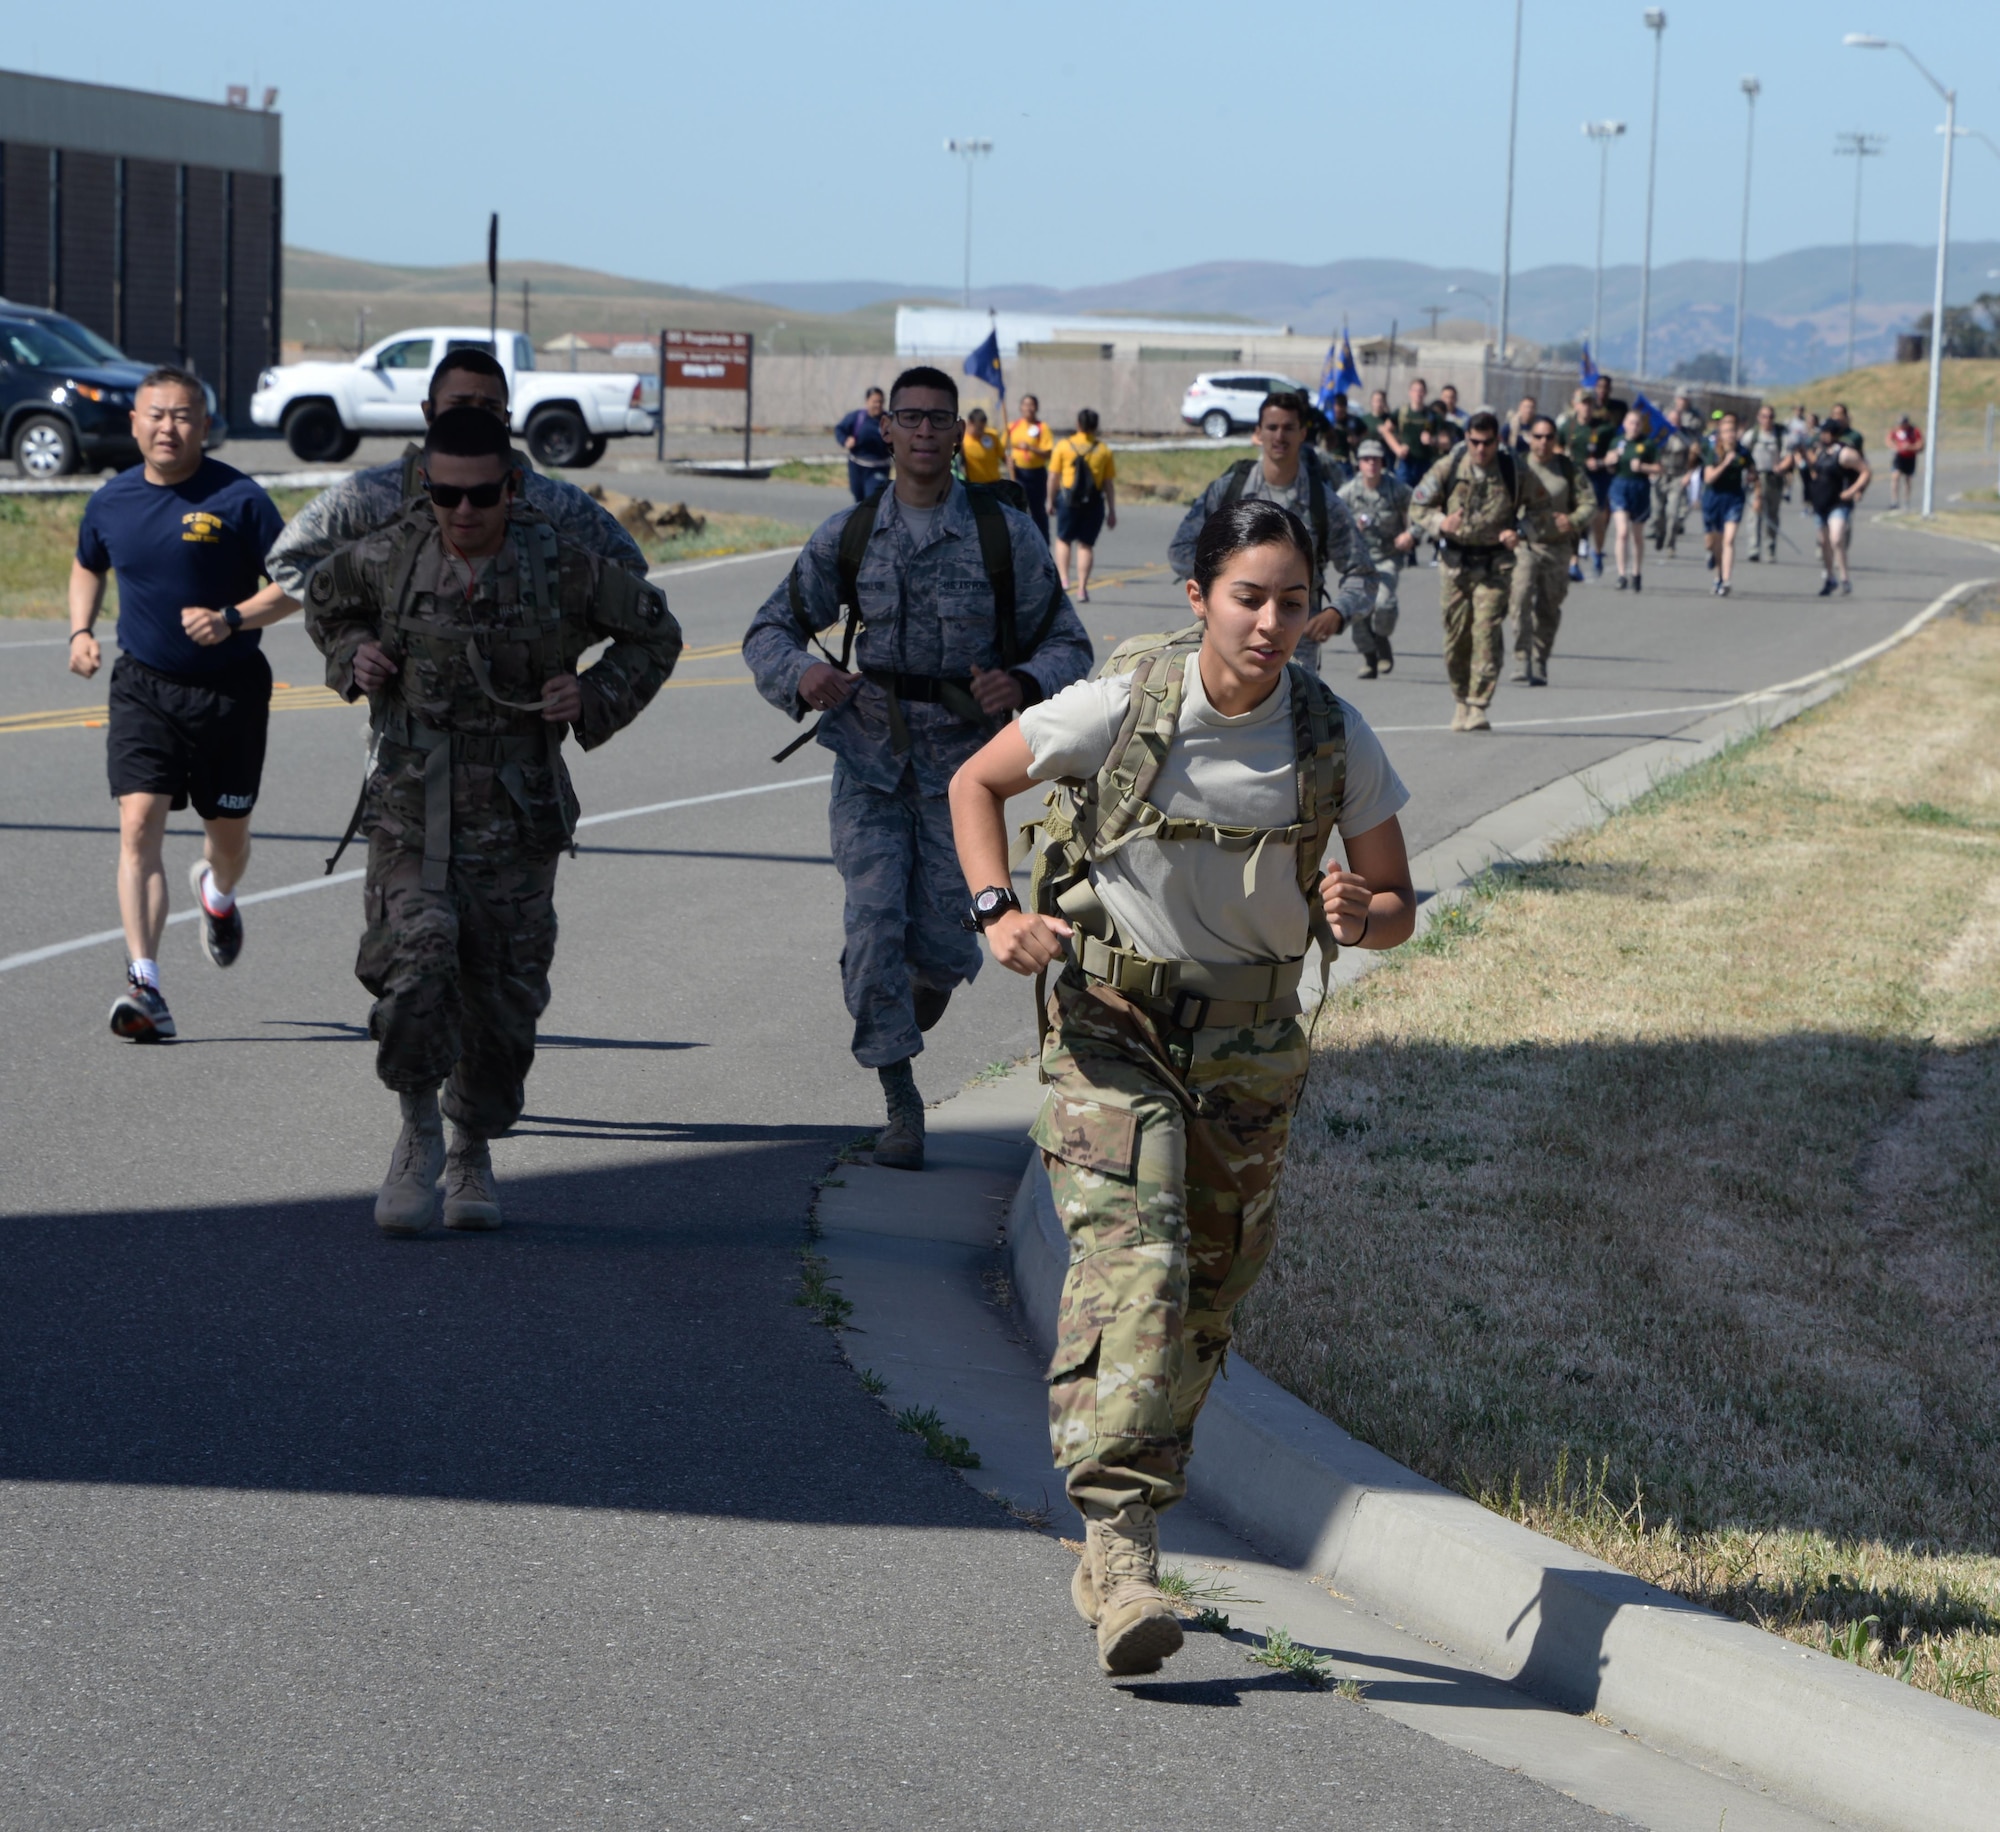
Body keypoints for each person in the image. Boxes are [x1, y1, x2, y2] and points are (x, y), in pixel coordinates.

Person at [947, 498, 1415, 1678]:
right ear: (1199, 597)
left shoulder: (1331, 735)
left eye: (1290, 602)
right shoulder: (1126, 705)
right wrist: (998, 913)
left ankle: (1130, 1506)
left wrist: (1365, 917)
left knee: (1207, 1292)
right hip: (1111, 1025)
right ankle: (1120, 1541)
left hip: (1249, 1047)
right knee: (1136, 1266)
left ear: (1316, 616)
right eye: (1246, 596)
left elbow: (1392, 902)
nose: (1267, 621)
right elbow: (975, 782)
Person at [302, 408, 682, 1235]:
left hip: (516, 818)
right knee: (416, 968)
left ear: (510, 486)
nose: (462, 511)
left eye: (480, 495)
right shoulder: (391, 555)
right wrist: (350, 658)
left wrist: (594, 695)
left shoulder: (560, 565)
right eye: (444, 493)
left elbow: (654, 633)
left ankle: (474, 1141)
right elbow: (326, 602)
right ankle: (417, 1132)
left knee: (503, 1015)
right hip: (411, 806)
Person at [744, 365, 1091, 1171]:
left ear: (958, 433)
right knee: (872, 927)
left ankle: (903, 997)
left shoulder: (1005, 536)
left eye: (941, 420)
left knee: (943, 947)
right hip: (869, 760)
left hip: (967, 774)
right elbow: (770, 630)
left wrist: (1025, 681)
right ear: (887, 431)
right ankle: (900, 1101)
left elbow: (1069, 644)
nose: (927, 433)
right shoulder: (850, 535)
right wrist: (804, 675)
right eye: (911, 419)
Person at [67, 366, 287, 1043]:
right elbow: (88, 564)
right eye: (156, 414)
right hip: (143, 686)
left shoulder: (241, 498)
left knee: (229, 841)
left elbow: (298, 583)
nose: (169, 426)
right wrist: (80, 629)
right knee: (138, 828)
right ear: (134, 422)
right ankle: (145, 984)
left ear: (204, 424)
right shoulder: (111, 501)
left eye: (183, 415)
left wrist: (233, 616)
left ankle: (217, 895)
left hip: (229, 692)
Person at [265, 347, 646, 607]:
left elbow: (629, 572)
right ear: (429, 412)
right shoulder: (373, 494)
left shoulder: (553, 502)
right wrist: (356, 629)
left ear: (507, 419)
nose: (475, 415)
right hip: (406, 723)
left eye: (489, 407)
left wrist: (562, 636)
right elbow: (289, 559)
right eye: (460, 404)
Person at [1167, 391, 1374, 676]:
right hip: (1230, 640)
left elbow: (1362, 571)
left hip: (1294, 649)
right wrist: (1223, 586)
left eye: (1289, 428)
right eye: (1272, 427)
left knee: (1291, 718)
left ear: (1303, 433)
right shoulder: (1229, 491)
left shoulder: (1322, 503)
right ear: (1258, 432)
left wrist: (1337, 613)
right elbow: (1181, 549)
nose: (1280, 436)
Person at [1408, 409, 1556, 731]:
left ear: (1497, 440)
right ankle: (1460, 699)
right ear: (1467, 439)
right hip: (1456, 566)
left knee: (1486, 631)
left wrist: (1520, 532)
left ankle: (1478, 704)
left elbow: (1543, 508)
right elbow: (1417, 505)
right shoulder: (1448, 467)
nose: (1480, 449)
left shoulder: (1512, 468)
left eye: (1487, 442)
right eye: (1474, 442)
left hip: (1495, 565)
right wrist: (1440, 523)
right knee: (1456, 636)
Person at [1509, 416, 1590, 686]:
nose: (1543, 443)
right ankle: (1522, 657)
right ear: (1530, 438)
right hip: (1525, 545)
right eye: (1538, 436)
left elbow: (1589, 503)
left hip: (1557, 547)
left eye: (1549, 437)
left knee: (1548, 607)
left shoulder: (1566, 469)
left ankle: (1540, 658)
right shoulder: (1517, 467)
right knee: (1520, 596)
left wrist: (1574, 520)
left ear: (1555, 440)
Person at [1337, 438, 1414, 679]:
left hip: (1387, 558)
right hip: (1357, 561)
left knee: (1384, 603)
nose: (1371, 464)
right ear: (1359, 463)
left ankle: (1382, 641)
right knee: (1358, 610)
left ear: (1382, 462)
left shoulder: (1395, 489)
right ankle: (1369, 658)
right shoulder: (1348, 493)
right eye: (1366, 459)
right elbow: (1332, 521)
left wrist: (1410, 534)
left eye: (1376, 459)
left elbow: (1421, 509)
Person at [1050, 409, 1117, 602]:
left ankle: (1063, 580)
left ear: (1078, 424)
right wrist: (1112, 510)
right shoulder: (1103, 450)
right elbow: (1108, 483)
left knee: (1063, 539)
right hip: (1093, 501)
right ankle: (1082, 588)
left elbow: (1054, 476)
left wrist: (1050, 499)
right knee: (1085, 545)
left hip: (1068, 500)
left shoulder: (1064, 446)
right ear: (1096, 426)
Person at [1802, 418, 1871, 596]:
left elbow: (1865, 471)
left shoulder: (1845, 453)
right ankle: (1830, 577)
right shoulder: (1819, 451)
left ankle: (1845, 577)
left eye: (1827, 432)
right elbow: (1814, 470)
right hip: (1820, 501)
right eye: (1822, 432)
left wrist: (1853, 491)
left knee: (1836, 539)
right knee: (1824, 542)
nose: (1823, 436)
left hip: (1839, 502)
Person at [1603, 408, 1661, 592]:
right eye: (1631, 423)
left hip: (1640, 489)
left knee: (1637, 535)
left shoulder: (1648, 444)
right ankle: (1621, 574)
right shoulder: (1617, 442)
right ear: (1624, 424)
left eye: (1637, 423)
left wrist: (1643, 467)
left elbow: (1659, 468)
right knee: (1622, 532)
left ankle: (1636, 572)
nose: (1634, 427)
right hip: (1620, 486)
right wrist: (1609, 461)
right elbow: (1609, 465)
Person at [1700, 412, 1750, 598]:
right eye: (1726, 431)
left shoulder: (1743, 452)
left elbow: (1751, 470)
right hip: (1713, 498)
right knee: (1713, 543)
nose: (1730, 434)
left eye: (1733, 431)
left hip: (1734, 498)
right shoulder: (1712, 451)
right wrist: (1725, 464)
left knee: (1728, 540)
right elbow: (1708, 477)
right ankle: (1717, 572)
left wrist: (1753, 480)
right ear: (1720, 433)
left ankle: (1726, 579)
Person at [1743, 402, 1792, 563]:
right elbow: (1741, 454)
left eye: (1770, 417)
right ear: (1759, 418)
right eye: (1764, 417)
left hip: (1774, 479)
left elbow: (1789, 456)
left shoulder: (1780, 436)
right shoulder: (1752, 435)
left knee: (1772, 515)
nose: (1767, 420)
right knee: (1754, 514)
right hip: (1756, 478)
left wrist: (1782, 466)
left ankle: (1770, 548)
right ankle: (1753, 548)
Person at [1007, 393, 1055, 542]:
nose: (1029, 408)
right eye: (1026, 405)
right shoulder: (1012, 426)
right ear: (1021, 407)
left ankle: (1043, 542)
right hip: (1018, 473)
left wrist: (1031, 448)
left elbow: (1048, 453)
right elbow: (1002, 449)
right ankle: (1020, 542)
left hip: (1036, 474)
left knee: (1037, 509)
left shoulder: (1042, 427)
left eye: (1032, 405)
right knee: (1018, 508)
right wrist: (1007, 460)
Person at [837, 387, 893, 503]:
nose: (878, 405)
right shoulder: (857, 418)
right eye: (875, 401)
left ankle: (872, 520)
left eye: (880, 402)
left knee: (872, 499)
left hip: (878, 468)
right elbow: (839, 429)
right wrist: (845, 440)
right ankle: (862, 521)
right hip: (857, 467)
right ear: (867, 401)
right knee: (859, 499)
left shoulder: (888, 421)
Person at [1388, 378, 1441, 490]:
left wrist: (1431, 440)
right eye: (1415, 390)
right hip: (1405, 463)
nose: (1418, 393)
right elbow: (1386, 430)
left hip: (1425, 462)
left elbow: (1444, 439)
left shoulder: (1431, 415)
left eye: (1421, 390)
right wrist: (1397, 448)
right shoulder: (1402, 412)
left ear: (1425, 393)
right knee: (1403, 494)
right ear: (1410, 392)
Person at [961, 406, 1004, 484]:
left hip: (994, 482)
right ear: (970, 423)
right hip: (975, 485)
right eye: (978, 428)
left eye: (983, 427)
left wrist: (1009, 461)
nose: (981, 431)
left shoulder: (992, 436)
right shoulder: (963, 442)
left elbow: (1003, 456)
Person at [1888, 414, 1923, 510]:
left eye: (1903, 424)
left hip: (1910, 457)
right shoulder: (1896, 430)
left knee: (1908, 480)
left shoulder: (1914, 431)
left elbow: (1920, 445)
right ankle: (1894, 501)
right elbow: (1889, 440)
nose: (1901, 426)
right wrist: (1895, 447)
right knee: (1895, 477)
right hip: (1899, 457)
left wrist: (1910, 447)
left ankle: (1906, 501)